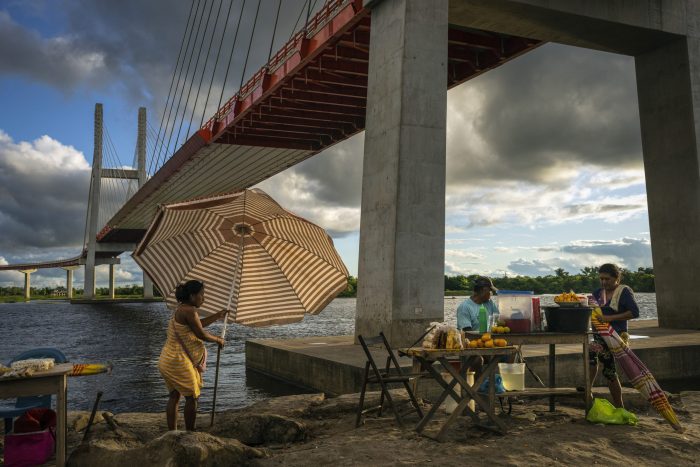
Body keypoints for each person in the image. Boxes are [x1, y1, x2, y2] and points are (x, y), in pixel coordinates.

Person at [159, 280, 228, 431]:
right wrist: (218, 340)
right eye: (201, 294)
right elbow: (200, 334)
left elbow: (198, 324)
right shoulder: (189, 311)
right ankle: (190, 432)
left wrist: (217, 315)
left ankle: (173, 432)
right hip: (179, 361)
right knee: (192, 397)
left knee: (174, 396)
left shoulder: (183, 309)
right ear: (192, 296)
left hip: (167, 360)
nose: (204, 298)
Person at [589, 263, 640, 408]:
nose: (604, 282)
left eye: (607, 279)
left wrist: (609, 319)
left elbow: (634, 312)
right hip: (599, 335)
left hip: (616, 336)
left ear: (617, 278)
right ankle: (588, 390)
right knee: (593, 357)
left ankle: (619, 406)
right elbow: (593, 313)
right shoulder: (597, 293)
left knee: (608, 369)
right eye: (601, 279)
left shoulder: (624, 291)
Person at [456, 276, 500, 373]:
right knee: (477, 359)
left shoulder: (489, 304)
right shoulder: (465, 307)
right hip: (470, 346)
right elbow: (466, 334)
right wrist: (482, 343)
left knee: (511, 353)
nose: (491, 294)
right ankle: (475, 387)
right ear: (484, 290)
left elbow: (499, 320)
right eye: (490, 292)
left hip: (488, 344)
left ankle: (500, 385)